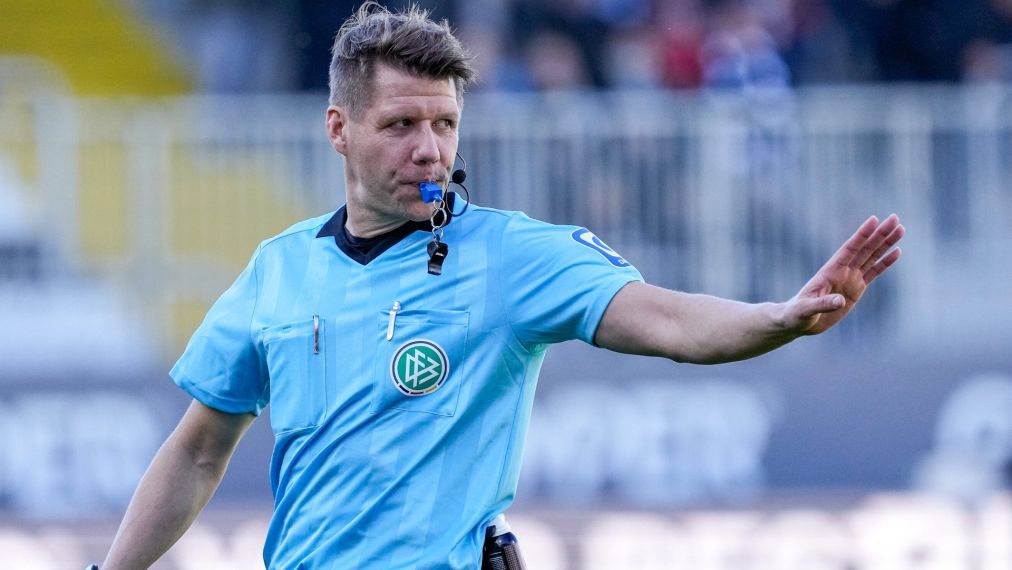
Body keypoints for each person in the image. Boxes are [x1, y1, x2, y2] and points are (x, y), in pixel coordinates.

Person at [96, 2, 905, 569]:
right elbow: (198, 451)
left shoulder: (511, 256)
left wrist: (778, 318)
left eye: (444, 123)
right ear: (339, 129)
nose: (429, 149)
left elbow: (666, 319)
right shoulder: (279, 269)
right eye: (401, 125)